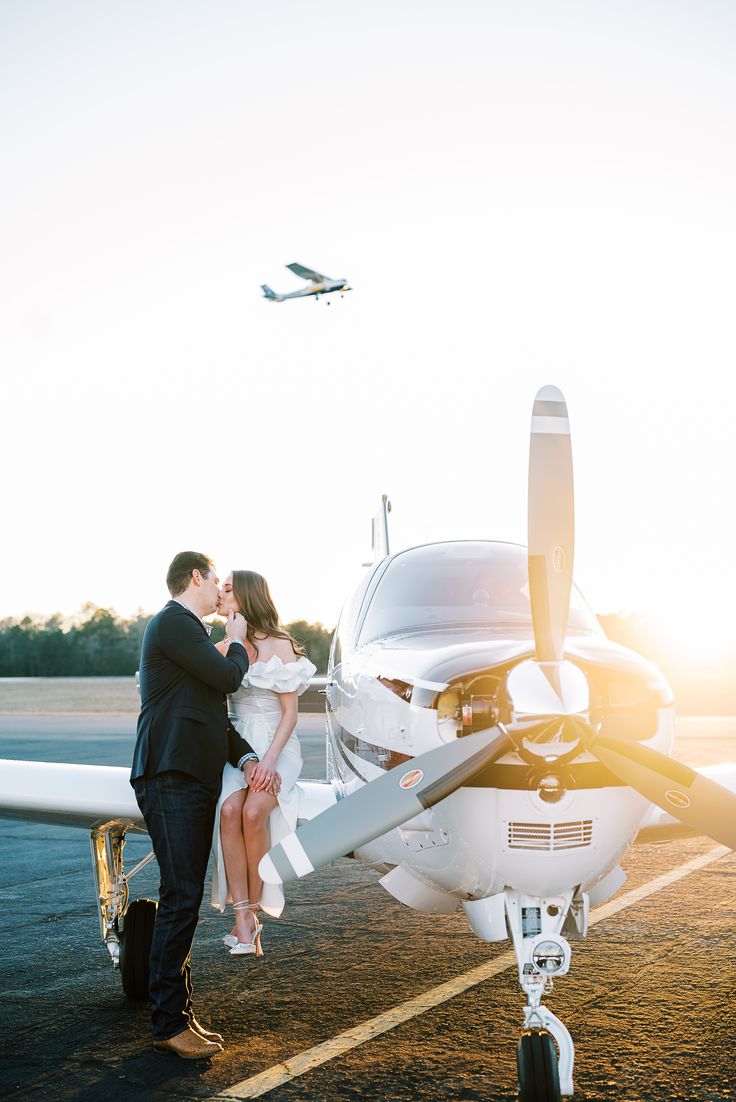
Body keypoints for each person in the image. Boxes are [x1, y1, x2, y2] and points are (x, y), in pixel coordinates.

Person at [130, 551, 263, 1060]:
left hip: (189, 775)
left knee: (181, 894)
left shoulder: (187, 635)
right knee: (181, 894)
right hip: (171, 774)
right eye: (215, 581)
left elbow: (213, 717)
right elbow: (230, 678)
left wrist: (248, 758)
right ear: (195, 578)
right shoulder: (175, 624)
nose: (219, 591)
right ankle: (169, 1023)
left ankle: (177, 1017)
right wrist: (235, 638)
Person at [211, 570, 316, 955]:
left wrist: (269, 763)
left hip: (277, 746)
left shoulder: (280, 644)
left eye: (226, 590)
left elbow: (290, 714)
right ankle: (242, 919)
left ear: (247, 596)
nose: (219, 595)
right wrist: (247, 761)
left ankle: (252, 912)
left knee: (254, 812)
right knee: (228, 810)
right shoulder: (222, 648)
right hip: (240, 749)